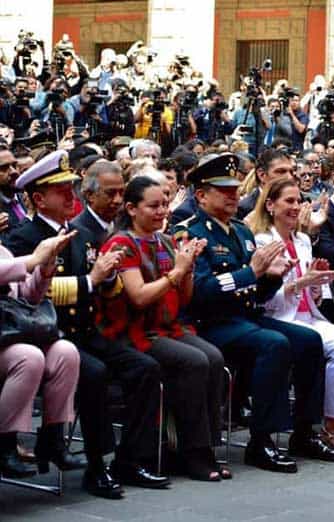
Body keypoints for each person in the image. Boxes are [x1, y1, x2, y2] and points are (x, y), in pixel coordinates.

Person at [5, 150, 168, 496]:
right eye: (62, 191)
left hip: (82, 330)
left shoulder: (73, 232)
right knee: (93, 373)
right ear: (38, 199)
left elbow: (99, 287)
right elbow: (39, 295)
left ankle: (131, 458)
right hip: (44, 332)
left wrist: (109, 279)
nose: (71, 196)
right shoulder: (24, 237)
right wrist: (94, 280)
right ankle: (97, 465)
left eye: (71, 189)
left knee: (144, 368)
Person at [173, 153, 334, 473]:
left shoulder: (240, 230)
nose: (233, 195)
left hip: (244, 317)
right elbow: (201, 291)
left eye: (235, 188)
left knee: (308, 340)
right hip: (210, 321)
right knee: (273, 343)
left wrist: (273, 277)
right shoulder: (189, 232)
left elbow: (256, 294)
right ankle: (261, 440)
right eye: (223, 190)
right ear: (201, 195)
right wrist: (252, 273)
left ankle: (305, 430)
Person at [100, 176, 228, 481]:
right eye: (153, 206)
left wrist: (188, 270)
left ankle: (205, 445)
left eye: (165, 205)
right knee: (193, 361)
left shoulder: (167, 241)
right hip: (134, 331)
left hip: (167, 326)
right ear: (131, 209)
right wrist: (178, 272)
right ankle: (191, 452)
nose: (161, 212)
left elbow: (184, 299)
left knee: (214, 357)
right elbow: (140, 297)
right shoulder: (122, 244)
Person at [251, 177, 334, 453]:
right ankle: (332, 424)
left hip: (308, 315)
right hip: (281, 317)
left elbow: (310, 293)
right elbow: (264, 298)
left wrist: (317, 284)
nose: (296, 207)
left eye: (299, 200)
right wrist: (301, 283)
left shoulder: (303, 240)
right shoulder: (263, 240)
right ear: (270, 205)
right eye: (289, 201)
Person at [0, 230, 83, 478]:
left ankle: (52, 438)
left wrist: (45, 267)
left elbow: (29, 298)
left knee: (65, 352)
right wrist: (34, 259)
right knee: (29, 357)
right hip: (11, 344)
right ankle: (5, 444)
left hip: (10, 334)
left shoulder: (3, 250)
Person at [72, 159, 125, 247]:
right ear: (90, 195)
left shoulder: (125, 224)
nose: (118, 200)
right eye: (110, 193)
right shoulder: (75, 233)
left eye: (122, 193)